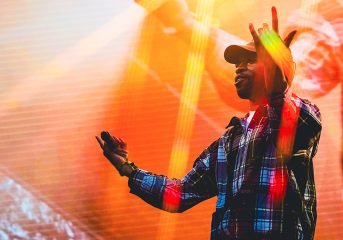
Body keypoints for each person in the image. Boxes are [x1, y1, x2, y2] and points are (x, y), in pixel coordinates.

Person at [96, 7, 321, 240]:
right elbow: (180, 193)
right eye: (237, 63)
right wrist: (126, 168)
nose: (239, 67)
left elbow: (286, 113)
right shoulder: (228, 141)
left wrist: (275, 73)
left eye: (251, 60)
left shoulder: (303, 114)